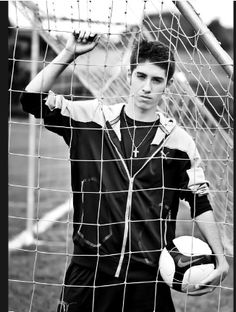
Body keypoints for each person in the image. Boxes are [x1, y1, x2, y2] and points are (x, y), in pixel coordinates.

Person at [20, 30, 229, 312]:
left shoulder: (179, 143)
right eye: (141, 76)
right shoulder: (90, 118)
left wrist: (221, 257)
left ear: (167, 85)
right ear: (129, 75)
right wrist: (69, 53)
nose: (146, 87)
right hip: (89, 272)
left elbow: (199, 200)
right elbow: (32, 100)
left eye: (156, 80)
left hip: (148, 278)